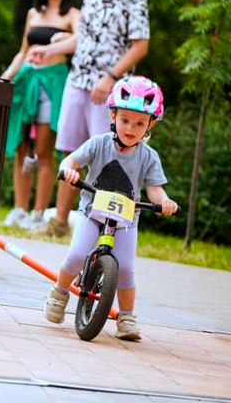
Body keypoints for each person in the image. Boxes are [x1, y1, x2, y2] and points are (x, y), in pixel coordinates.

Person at [28, 0, 150, 237]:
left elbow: (140, 45)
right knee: (71, 151)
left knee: (106, 156)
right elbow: (82, 39)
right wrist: (49, 49)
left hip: (109, 88)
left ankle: (101, 223)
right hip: (78, 79)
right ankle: (59, 222)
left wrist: (110, 78)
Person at [44, 76, 178, 341]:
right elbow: (73, 160)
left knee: (126, 269)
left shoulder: (149, 157)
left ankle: (126, 316)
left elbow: (155, 189)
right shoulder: (99, 143)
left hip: (126, 219)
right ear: (114, 116)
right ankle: (59, 292)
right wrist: (69, 170)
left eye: (140, 123)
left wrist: (164, 201)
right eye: (125, 120)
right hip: (92, 213)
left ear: (151, 125)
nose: (131, 128)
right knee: (77, 255)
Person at [1, 0, 79, 230]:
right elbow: (23, 50)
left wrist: (62, 37)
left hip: (52, 84)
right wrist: (6, 77)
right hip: (27, 80)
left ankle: (38, 212)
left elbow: (82, 40)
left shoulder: (71, 14)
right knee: (21, 147)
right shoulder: (34, 13)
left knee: (44, 150)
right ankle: (20, 209)